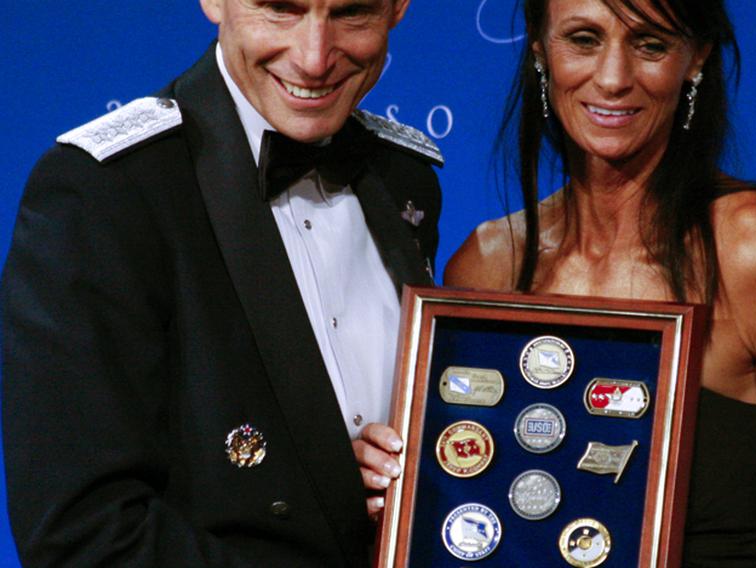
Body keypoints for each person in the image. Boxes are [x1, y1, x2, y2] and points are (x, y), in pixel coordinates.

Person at [444, 0, 756, 565]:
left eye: (651, 45)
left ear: (696, 59)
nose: (614, 78)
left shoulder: (754, 252)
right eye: (584, 39)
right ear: (542, 53)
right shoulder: (488, 265)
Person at [1, 0, 439, 566]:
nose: (313, 58)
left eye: (351, 13)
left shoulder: (406, 178)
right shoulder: (103, 192)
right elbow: (83, 535)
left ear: (399, 7)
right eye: (282, 9)